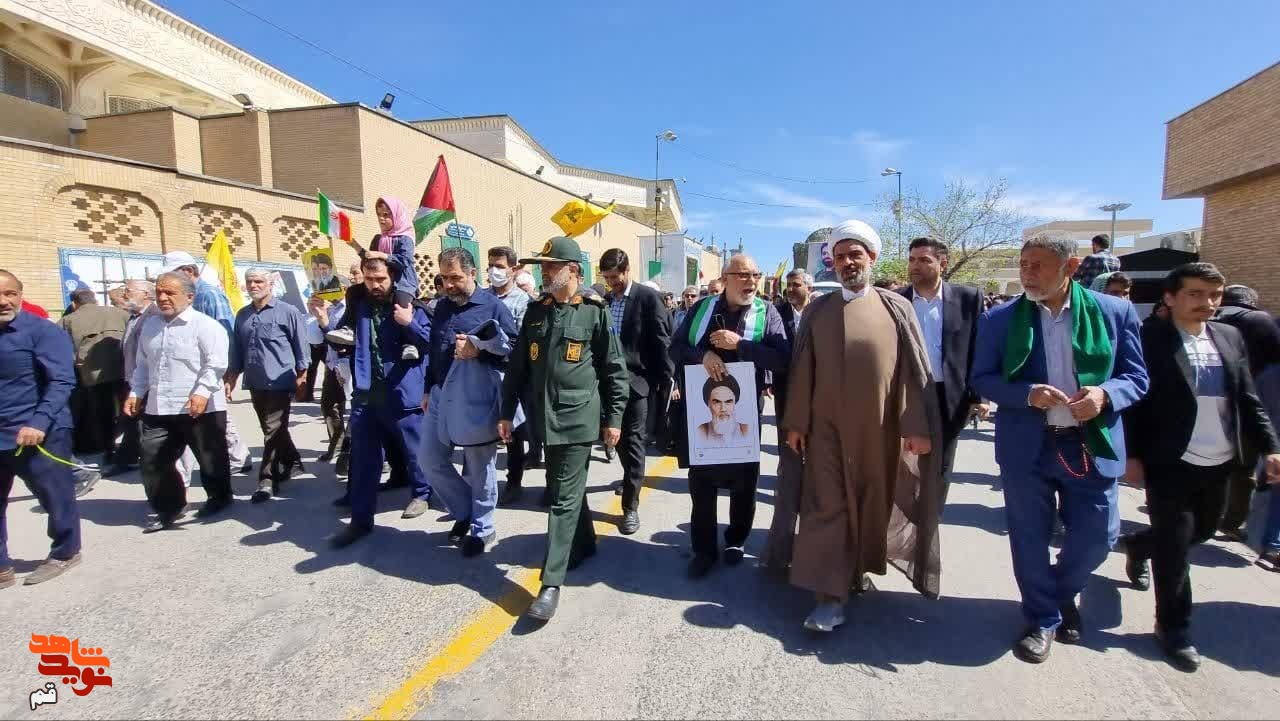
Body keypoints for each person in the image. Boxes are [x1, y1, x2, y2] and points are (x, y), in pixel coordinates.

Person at [971, 232, 1148, 664]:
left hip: (1089, 445)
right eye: (1023, 265)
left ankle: (1057, 592)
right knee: (1029, 538)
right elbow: (981, 378)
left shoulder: (1114, 312)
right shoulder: (1000, 319)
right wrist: (1026, 394)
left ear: (1070, 267)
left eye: (1038, 266)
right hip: (1027, 446)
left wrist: (1104, 395)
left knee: (1099, 537)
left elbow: (1136, 377)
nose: (1027, 274)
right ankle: (1043, 617)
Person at [781, 220, 945, 632]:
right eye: (840, 256)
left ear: (872, 257)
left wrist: (916, 427)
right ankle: (828, 597)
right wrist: (797, 422)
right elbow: (802, 369)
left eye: (855, 254)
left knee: (872, 506)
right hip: (825, 432)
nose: (847, 262)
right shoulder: (818, 310)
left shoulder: (897, 307)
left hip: (880, 432)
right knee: (827, 507)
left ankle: (853, 571)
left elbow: (914, 373)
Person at [1120, 263, 1280, 671]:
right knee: (1175, 548)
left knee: (1204, 531)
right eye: (1195, 294)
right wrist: (1132, 455)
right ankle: (1173, 628)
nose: (1206, 303)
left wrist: (1270, 448)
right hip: (1169, 460)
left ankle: (1140, 546)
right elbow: (1135, 402)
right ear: (1170, 298)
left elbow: (1248, 398)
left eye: (1214, 295)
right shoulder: (1150, 338)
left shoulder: (1229, 336)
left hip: (1222, 459)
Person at [498, 236, 628, 621]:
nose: (544, 271)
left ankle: (551, 582)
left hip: (577, 419)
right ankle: (584, 543)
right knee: (565, 488)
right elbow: (517, 368)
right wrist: (505, 412)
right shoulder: (536, 311)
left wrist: (614, 419)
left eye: (551, 266)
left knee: (561, 498)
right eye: (542, 266)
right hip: (543, 420)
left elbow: (614, 370)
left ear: (572, 270)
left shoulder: (594, 313)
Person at [673, 254, 789, 577]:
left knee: (744, 484)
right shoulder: (702, 309)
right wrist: (702, 355)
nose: (751, 281)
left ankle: (736, 539)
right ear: (725, 279)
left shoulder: (768, 314)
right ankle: (704, 550)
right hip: (703, 410)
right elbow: (676, 348)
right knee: (702, 484)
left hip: (745, 412)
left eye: (755, 275)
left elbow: (782, 359)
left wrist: (740, 345)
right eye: (743, 275)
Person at [328, 257, 433, 548]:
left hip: (402, 390)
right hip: (366, 394)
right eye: (369, 279)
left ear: (393, 278)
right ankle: (360, 521)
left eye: (380, 280)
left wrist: (409, 323)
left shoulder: (409, 304)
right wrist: (326, 324)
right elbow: (340, 337)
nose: (374, 285)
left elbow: (431, 341)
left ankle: (422, 493)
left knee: (415, 450)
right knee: (364, 459)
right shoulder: (359, 306)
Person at [420, 247, 518, 556]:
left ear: (473, 273)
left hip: (475, 395)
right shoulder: (441, 306)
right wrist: (428, 388)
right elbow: (434, 350)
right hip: (440, 395)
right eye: (444, 278)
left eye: (455, 278)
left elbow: (514, 351)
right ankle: (465, 512)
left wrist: (479, 351)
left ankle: (483, 528)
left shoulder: (493, 306)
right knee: (429, 459)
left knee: (479, 466)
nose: (449, 285)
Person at [124, 272, 235, 532]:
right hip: (159, 407)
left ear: (190, 297)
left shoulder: (206, 326)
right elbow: (143, 365)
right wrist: (136, 392)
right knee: (152, 458)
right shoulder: (150, 326)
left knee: (210, 460)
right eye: (159, 292)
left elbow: (216, 363)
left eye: (170, 293)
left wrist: (202, 391)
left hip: (200, 407)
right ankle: (170, 506)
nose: (162, 298)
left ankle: (219, 498)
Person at [0, 269, 82, 587]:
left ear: (20, 295)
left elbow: (61, 381)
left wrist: (38, 422)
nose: (4, 301)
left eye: (10, 294)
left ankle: (65, 551)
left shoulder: (42, 331)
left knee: (55, 497)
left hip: (39, 433)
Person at [897, 236, 984, 505]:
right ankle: (903, 523)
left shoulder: (968, 298)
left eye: (924, 260)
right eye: (912, 259)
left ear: (943, 264)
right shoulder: (895, 299)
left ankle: (930, 520)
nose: (915, 266)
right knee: (902, 465)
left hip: (948, 397)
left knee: (940, 468)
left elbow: (978, 348)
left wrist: (978, 397)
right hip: (904, 395)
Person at [598, 248, 673, 535]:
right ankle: (630, 477)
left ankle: (630, 507)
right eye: (606, 278)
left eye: (614, 277)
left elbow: (661, 340)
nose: (611, 283)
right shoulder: (606, 301)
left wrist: (670, 380)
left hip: (637, 382)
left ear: (627, 270)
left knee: (633, 443)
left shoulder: (647, 298)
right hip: (607, 384)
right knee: (615, 441)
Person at [159, 250, 253, 475]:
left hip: (210, 367)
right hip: (188, 368)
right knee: (203, 413)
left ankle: (235, 457)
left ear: (189, 271)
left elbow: (226, 332)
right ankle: (236, 456)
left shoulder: (208, 295)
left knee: (213, 412)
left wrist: (231, 371)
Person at [225, 269, 310, 503]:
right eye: (249, 282)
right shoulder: (242, 315)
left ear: (270, 284)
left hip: (280, 381)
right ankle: (292, 461)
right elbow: (237, 350)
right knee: (272, 429)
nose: (253, 286)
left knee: (272, 429)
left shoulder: (288, 312)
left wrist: (302, 376)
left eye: (258, 281)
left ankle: (266, 481)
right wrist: (231, 378)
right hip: (255, 381)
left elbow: (301, 346)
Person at [1211, 284, 1280, 542]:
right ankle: (1232, 522)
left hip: (1208, 400)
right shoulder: (1260, 320)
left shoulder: (1209, 319)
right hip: (1249, 401)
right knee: (1244, 466)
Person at [325, 196, 422, 362]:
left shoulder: (405, 238)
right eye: (379, 215)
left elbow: (405, 261)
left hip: (402, 282)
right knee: (354, 292)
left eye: (386, 215)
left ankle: (409, 342)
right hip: (380, 282)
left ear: (397, 215)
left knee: (401, 300)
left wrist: (383, 255)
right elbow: (370, 261)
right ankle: (348, 328)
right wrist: (355, 246)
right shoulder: (378, 239)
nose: (382, 219)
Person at [760, 268, 812, 573]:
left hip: (818, 395)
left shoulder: (821, 311)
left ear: (809, 287)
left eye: (796, 285)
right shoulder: (776, 313)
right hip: (786, 390)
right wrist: (768, 377)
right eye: (788, 285)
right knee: (789, 451)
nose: (791, 289)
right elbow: (769, 348)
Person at [485, 246, 536, 506]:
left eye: (500, 266)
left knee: (513, 432)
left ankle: (514, 481)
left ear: (513, 270)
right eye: (491, 265)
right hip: (483, 373)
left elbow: (521, 343)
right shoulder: (482, 298)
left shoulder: (523, 302)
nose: (494, 271)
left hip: (511, 374)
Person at [59, 288, 128, 475]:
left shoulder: (69, 320)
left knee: (102, 413)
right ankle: (128, 449)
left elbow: (61, 349)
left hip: (92, 376)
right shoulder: (120, 314)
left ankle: (107, 448)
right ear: (95, 300)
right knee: (127, 411)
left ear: (74, 304)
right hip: (124, 371)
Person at [694, 376, 752, 445]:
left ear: (735, 402)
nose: (723, 409)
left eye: (728, 402)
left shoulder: (746, 431)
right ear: (709, 404)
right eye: (717, 402)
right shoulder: (700, 432)